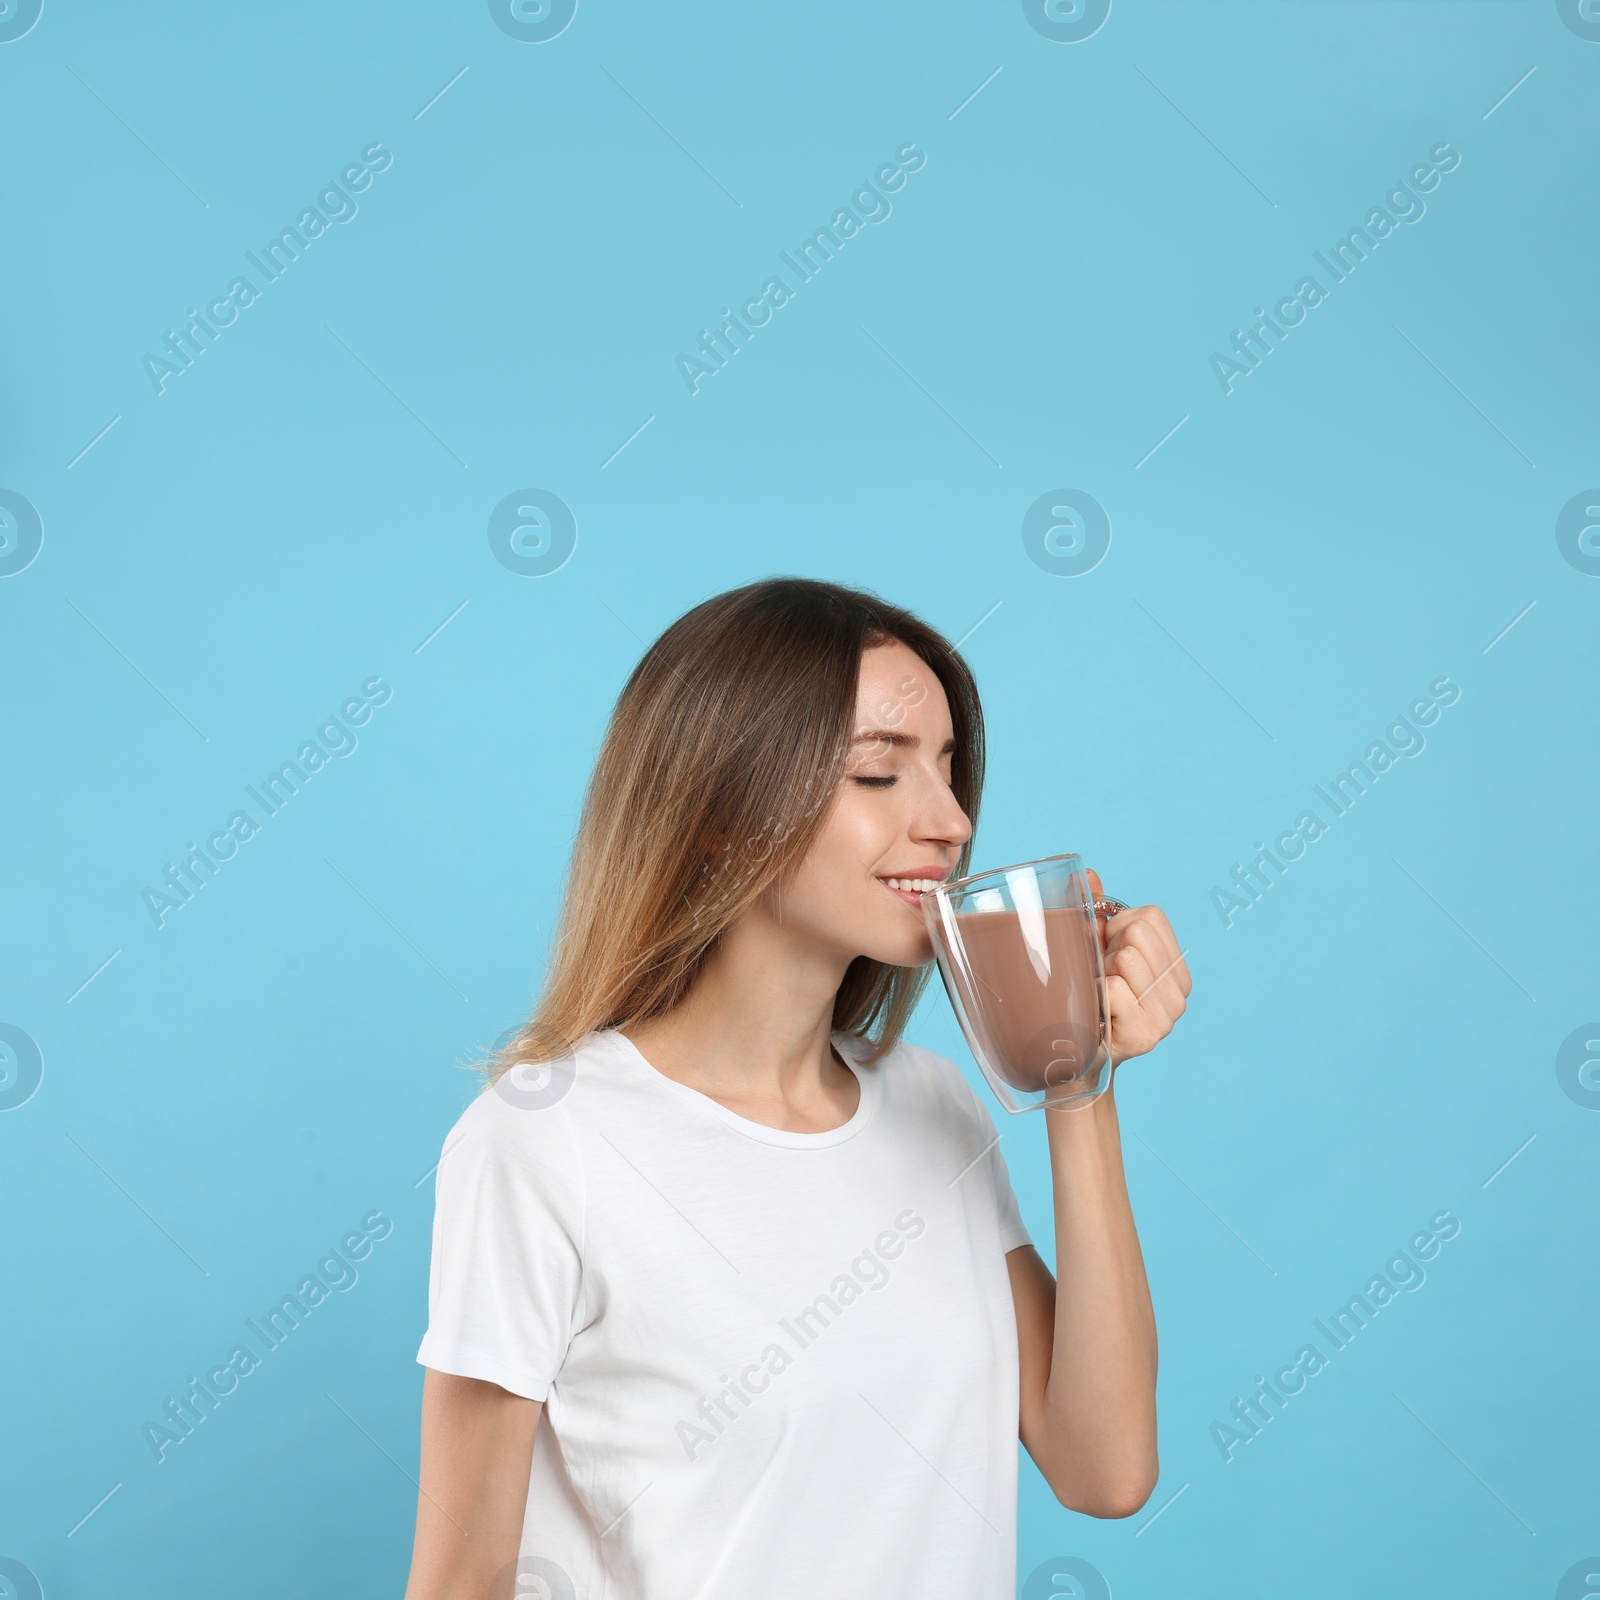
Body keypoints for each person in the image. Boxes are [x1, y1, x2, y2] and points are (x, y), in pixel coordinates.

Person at [403, 578, 1190, 1600]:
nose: (950, 821)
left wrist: (1076, 1073)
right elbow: (460, 1582)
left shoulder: (935, 1106)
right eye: (878, 774)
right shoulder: (546, 1142)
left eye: (950, 772)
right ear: (723, 813)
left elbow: (1105, 1468)